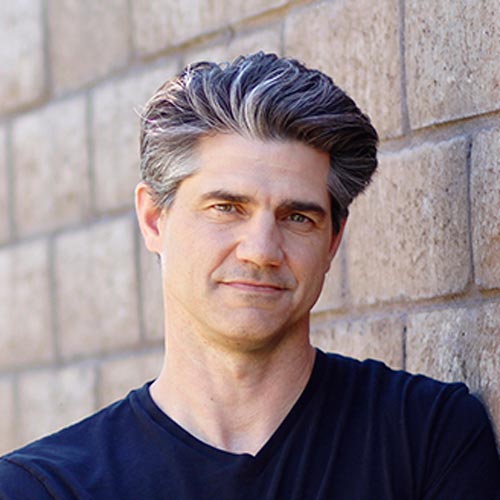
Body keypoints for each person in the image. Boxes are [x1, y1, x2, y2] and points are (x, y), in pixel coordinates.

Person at [1, 52, 499, 499]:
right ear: (154, 219)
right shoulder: (43, 488)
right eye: (226, 208)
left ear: (333, 241)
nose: (261, 251)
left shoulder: (426, 437)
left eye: (297, 217)